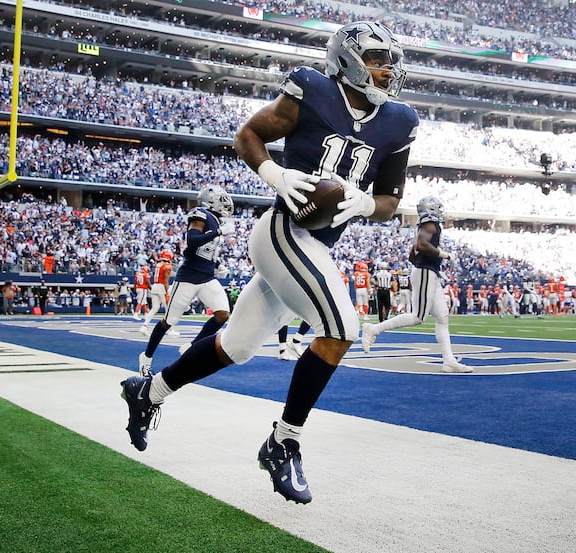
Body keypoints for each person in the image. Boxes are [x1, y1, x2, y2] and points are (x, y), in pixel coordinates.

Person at [121, 21, 417, 504]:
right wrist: (274, 173)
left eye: (390, 61)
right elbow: (248, 135)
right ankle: (284, 441)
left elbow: (388, 201)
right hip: (283, 231)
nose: (388, 70)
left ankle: (148, 392)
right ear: (348, 61)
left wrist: (366, 205)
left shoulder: (399, 121)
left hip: (316, 246)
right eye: (378, 59)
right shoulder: (314, 91)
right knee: (341, 327)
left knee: (235, 346)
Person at [361, 197, 472, 373]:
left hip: (428, 272)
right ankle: (374, 329)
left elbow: (412, 255)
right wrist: (444, 255)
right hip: (425, 272)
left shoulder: (423, 225)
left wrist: (433, 268)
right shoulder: (429, 223)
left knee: (442, 317)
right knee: (418, 316)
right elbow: (420, 245)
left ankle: (448, 360)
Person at [137, 184, 234, 377]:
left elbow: (203, 250)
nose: (225, 204)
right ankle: (146, 357)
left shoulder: (215, 220)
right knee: (168, 321)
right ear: (211, 201)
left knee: (222, 314)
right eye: (221, 200)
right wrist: (219, 232)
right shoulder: (201, 215)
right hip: (189, 278)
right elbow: (193, 239)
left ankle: (192, 346)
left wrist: (217, 265)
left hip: (207, 276)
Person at [139, 249, 174, 337]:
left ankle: (144, 326)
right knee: (168, 309)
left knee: (154, 308)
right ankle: (170, 329)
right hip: (161, 287)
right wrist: (166, 292)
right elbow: (166, 280)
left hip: (155, 286)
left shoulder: (158, 264)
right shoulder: (167, 266)